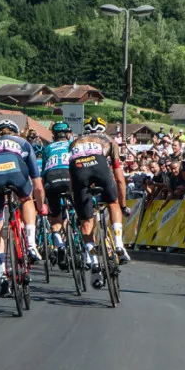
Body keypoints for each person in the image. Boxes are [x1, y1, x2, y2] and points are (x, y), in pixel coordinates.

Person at [0, 119, 45, 298]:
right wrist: (40, 206)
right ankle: (31, 244)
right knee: (26, 200)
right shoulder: (23, 143)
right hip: (17, 175)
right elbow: (37, 184)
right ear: (15, 132)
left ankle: (2, 274)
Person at [68, 116, 130, 288]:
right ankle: (118, 244)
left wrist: (76, 201)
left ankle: (94, 261)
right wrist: (123, 205)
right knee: (113, 203)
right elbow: (119, 178)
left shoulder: (75, 142)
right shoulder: (109, 140)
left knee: (86, 223)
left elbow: (72, 177)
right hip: (100, 166)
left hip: (79, 170)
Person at [42, 121, 74, 269]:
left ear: (54, 135)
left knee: (55, 218)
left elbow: (43, 172)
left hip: (51, 179)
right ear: (68, 134)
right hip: (69, 178)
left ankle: (59, 245)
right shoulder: (72, 145)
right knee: (82, 210)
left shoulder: (47, 148)